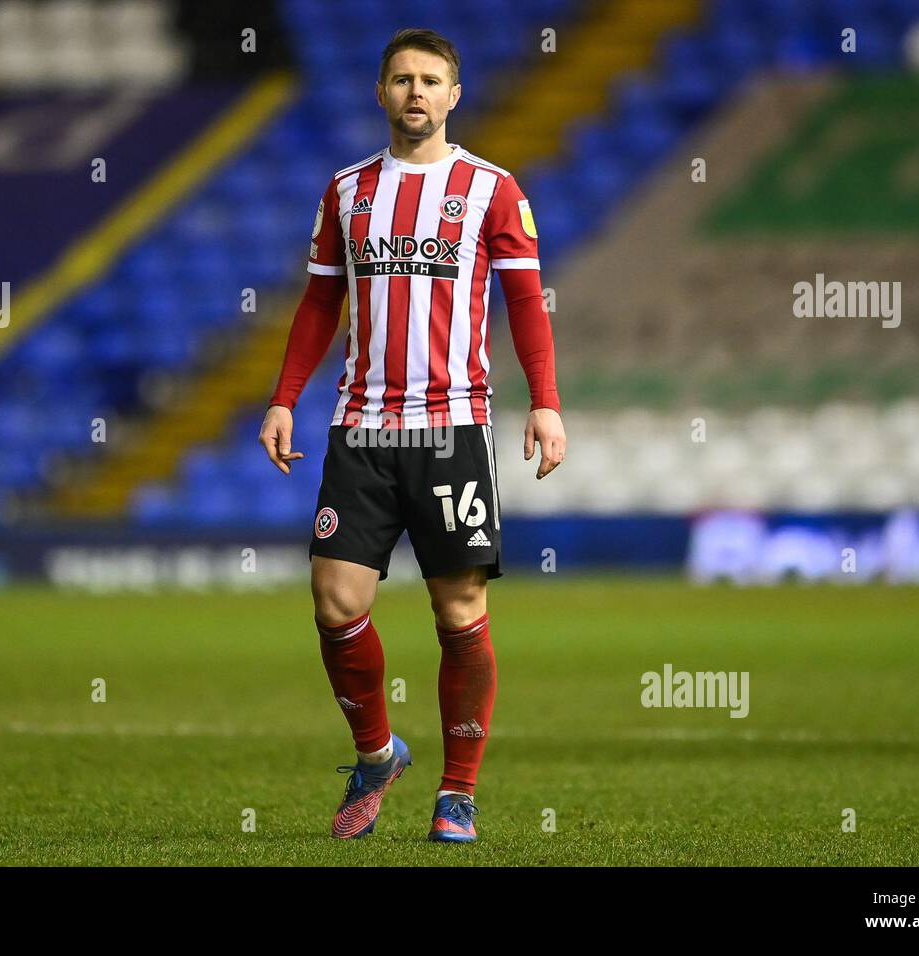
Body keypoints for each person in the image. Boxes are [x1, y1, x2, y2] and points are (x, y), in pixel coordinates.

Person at [259, 28, 566, 842]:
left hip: (452, 428)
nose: (417, 92)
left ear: (454, 95)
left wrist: (546, 401)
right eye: (402, 79)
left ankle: (457, 792)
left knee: (458, 610)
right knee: (335, 602)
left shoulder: (493, 190)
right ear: (381, 92)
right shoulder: (347, 191)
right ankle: (376, 753)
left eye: (432, 80)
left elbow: (528, 302)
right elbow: (320, 302)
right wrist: (285, 397)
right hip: (360, 426)